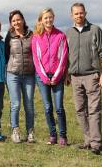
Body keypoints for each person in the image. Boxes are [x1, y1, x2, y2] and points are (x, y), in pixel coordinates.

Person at [66, 2, 102, 155]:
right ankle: (88, 140)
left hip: (92, 76)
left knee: (94, 110)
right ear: (71, 15)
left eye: (81, 13)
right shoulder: (68, 33)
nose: (79, 15)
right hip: (75, 77)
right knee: (79, 110)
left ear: (85, 13)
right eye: (76, 13)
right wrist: (66, 74)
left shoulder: (95, 30)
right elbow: (66, 57)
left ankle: (96, 143)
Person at [32, 8, 68, 146]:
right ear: (41, 20)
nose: (48, 20)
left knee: (59, 108)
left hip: (57, 76)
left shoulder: (60, 36)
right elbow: (36, 59)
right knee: (48, 107)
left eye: (50, 17)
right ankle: (52, 134)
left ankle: (63, 136)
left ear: (54, 18)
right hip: (42, 77)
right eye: (45, 18)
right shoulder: (36, 37)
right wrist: (44, 77)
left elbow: (63, 58)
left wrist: (57, 76)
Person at [5, 10, 35, 143]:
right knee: (15, 104)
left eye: (18, 19)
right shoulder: (9, 36)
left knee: (29, 105)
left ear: (23, 20)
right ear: (11, 23)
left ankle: (30, 132)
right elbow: (6, 55)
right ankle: (15, 130)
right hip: (13, 74)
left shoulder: (32, 35)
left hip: (29, 75)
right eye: (13, 21)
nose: (16, 22)